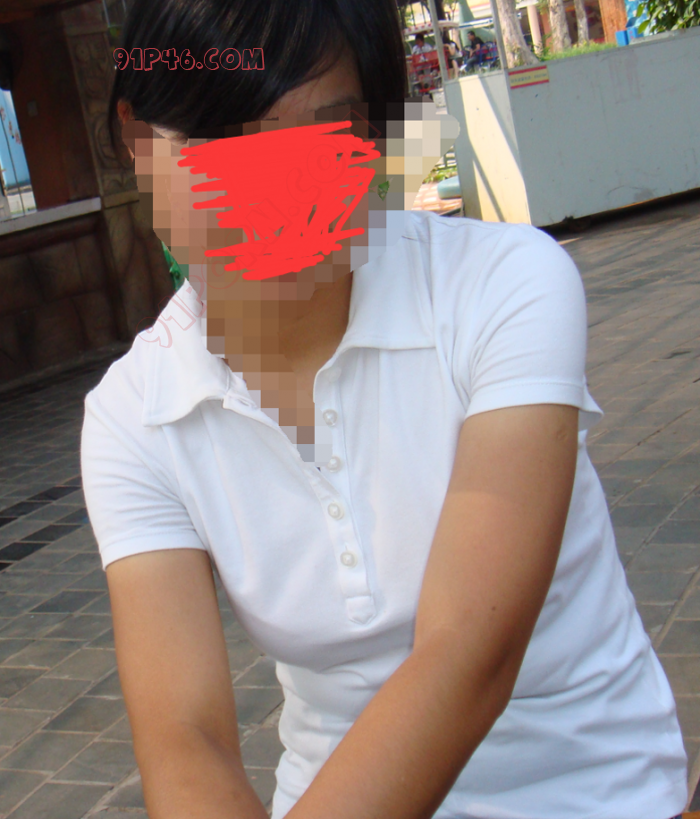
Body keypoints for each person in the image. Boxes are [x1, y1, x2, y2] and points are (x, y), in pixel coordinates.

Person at [82, 1, 688, 818]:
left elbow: (467, 652)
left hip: (591, 796)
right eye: (220, 142)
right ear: (140, 144)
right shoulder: (133, 416)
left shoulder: (501, 286)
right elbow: (184, 736)